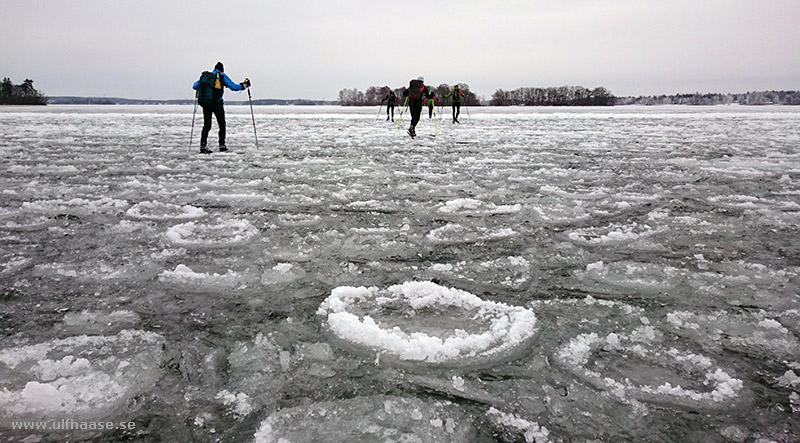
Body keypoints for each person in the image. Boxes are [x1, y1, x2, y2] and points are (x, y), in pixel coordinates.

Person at [192, 62, 250, 154]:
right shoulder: (221, 76)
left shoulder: (206, 76)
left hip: (206, 104)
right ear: (222, 69)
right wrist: (244, 85)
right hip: (217, 103)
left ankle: (203, 145)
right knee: (221, 124)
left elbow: (194, 86)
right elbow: (233, 87)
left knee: (207, 125)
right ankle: (222, 145)